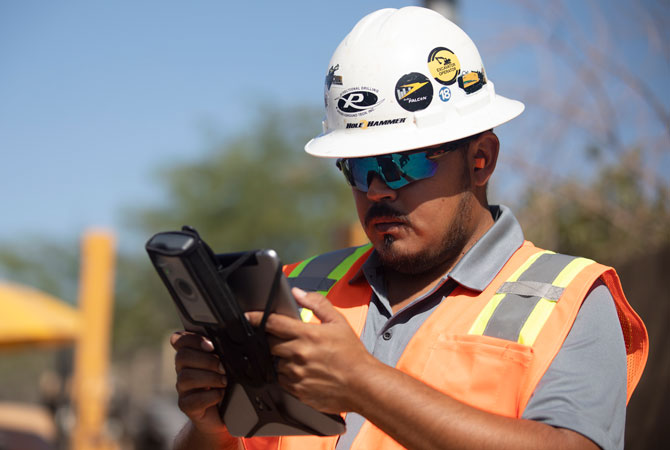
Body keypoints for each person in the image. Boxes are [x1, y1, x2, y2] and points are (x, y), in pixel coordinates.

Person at [170, 6, 648, 450]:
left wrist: (362, 384)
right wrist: (209, 425)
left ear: (480, 160)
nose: (377, 189)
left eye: (402, 163)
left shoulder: (570, 301)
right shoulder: (299, 293)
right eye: (358, 168)